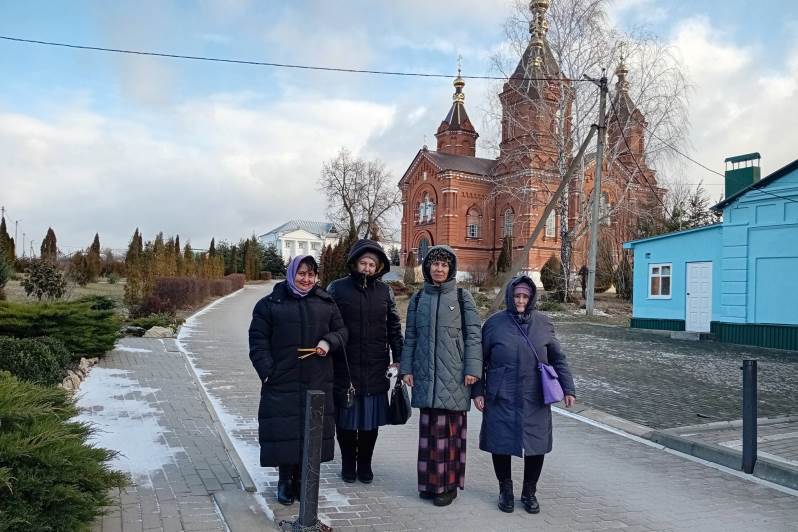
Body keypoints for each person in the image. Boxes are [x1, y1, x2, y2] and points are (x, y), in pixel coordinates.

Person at [248, 255, 347, 506]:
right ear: (291, 274)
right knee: (286, 431)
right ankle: (284, 481)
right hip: (283, 379)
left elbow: (342, 331)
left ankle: (305, 480)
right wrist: (268, 371)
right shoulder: (270, 304)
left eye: (311, 274)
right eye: (301, 274)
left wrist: (328, 342)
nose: (306, 279)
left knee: (311, 432)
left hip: (317, 378)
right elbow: (258, 341)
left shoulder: (326, 302)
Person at [473, 276, 576, 514]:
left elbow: (558, 358)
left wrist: (568, 389)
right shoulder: (494, 324)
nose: (520, 300)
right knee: (500, 442)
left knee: (536, 444)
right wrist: (478, 391)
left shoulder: (543, 323)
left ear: (531, 298)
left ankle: (529, 492)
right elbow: (480, 360)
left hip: (535, 395)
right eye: (517, 296)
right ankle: (505, 490)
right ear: (510, 296)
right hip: (501, 394)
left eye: (525, 296)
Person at [400, 245, 482, 507]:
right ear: (427, 267)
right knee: (429, 434)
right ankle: (428, 483)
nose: (439, 269)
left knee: (449, 434)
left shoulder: (461, 297)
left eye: (444, 265)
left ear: (451, 269)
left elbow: (473, 335)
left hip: (455, 376)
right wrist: (406, 368)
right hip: (426, 376)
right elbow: (410, 336)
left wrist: (472, 369)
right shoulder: (418, 299)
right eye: (434, 264)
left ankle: (447, 486)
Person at [327, 239, 404, 484]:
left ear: (378, 267)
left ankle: (365, 464)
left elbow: (393, 326)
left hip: (375, 365)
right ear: (355, 263)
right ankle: (348, 464)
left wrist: (399, 358)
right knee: (347, 421)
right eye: (364, 263)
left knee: (370, 422)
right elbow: (327, 323)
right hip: (345, 366)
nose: (367, 268)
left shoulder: (384, 292)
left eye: (372, 264)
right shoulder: (337, 289)